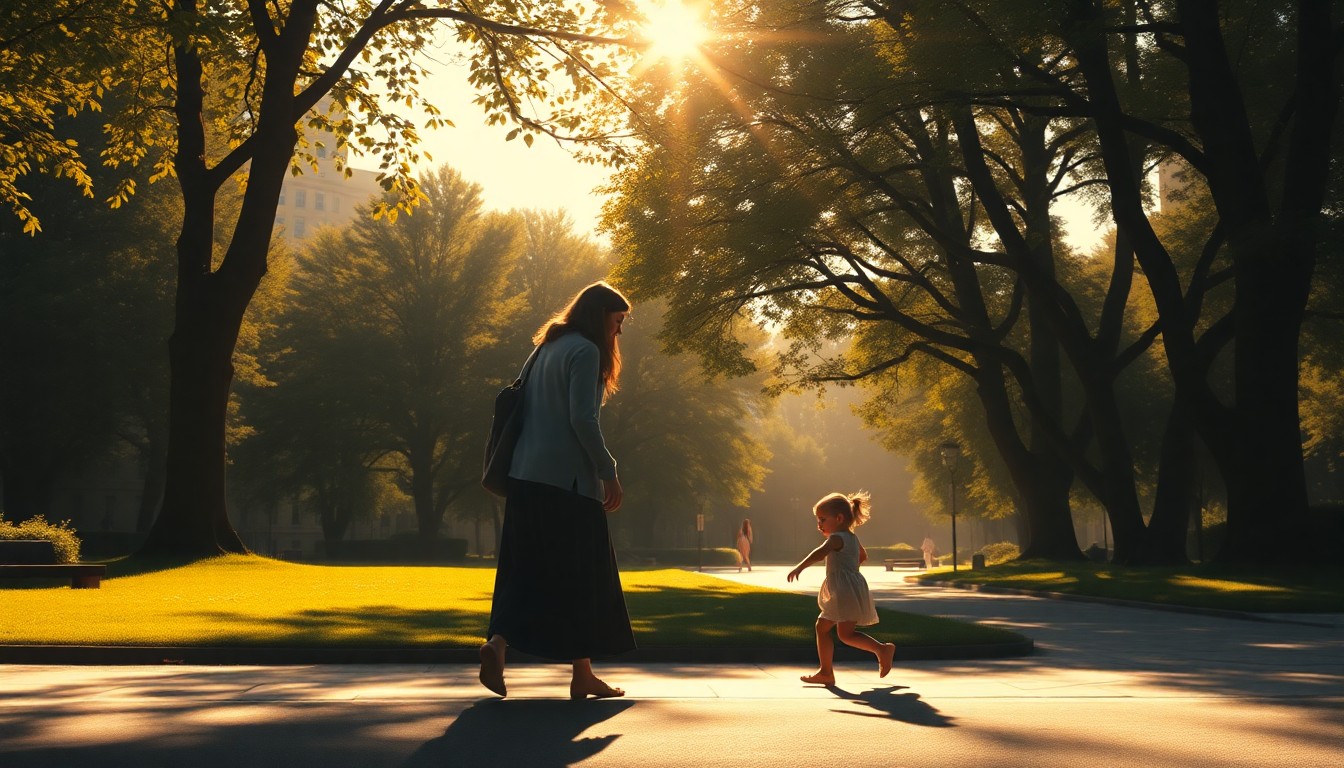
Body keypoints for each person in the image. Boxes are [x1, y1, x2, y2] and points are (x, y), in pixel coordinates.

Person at [478, 281, 636, 700]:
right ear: (600, 314)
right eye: (617, 321)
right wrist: (609, 471)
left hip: (525, 477)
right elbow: (583, 420)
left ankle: (498, 645)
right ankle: (581, 674)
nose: (618, 332)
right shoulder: (585, 351)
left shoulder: (544, 347)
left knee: (525, 568)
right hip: (568, 483)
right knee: (582, 577)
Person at [787, 491, 896, 685]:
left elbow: (820, 553)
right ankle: (828, 671)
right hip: (849, 588)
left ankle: (879, 651)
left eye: (822, 519)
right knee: (837, 632)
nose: (818, 524)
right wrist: (850, 572)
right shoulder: (852, 538)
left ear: (838, 518)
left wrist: (799, 567)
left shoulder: (836, 538)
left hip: (843, 591)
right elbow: (862, 556)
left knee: (833, 631)